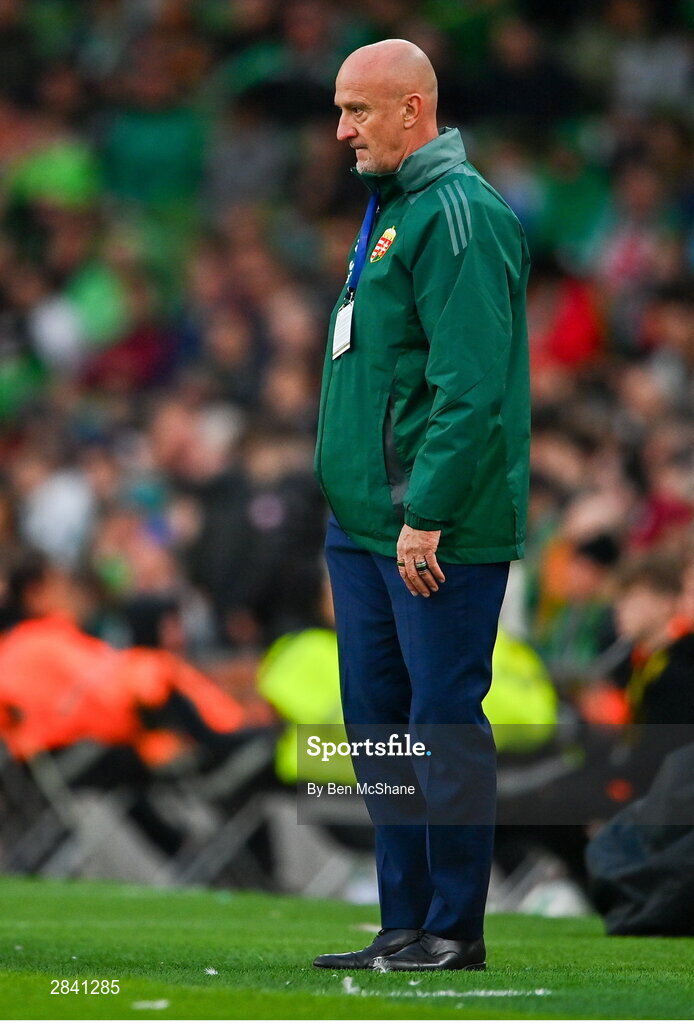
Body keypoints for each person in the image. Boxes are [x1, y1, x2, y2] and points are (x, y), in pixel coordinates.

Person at [312, 40, 530, 971]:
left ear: (414, 109)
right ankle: (403, 922)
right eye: (340, 109)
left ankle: (455, 928)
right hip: (364, 526)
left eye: (359, 110)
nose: (342, 129)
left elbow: (470, 387)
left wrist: (427, 511)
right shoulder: (396, 206)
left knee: (441, 721)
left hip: (432, 528)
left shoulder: (459, 213)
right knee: (380, 730)